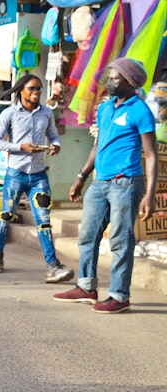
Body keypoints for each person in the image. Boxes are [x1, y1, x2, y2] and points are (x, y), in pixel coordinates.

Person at [54, 58, 158, 313]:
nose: (110, 82)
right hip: (100, 183)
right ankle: (87, 287)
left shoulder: (140, 111)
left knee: (121, 240)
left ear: (130, 82)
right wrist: (81, 176)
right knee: (87, 235)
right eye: (109, 78)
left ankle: (120, 296)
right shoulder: (105, 109)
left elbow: (152, 154)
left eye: (115, 78)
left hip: (126, 183)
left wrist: (150, 194)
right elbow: (97, 145)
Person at [0, 74, 74, 283]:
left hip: (38, 176)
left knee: (44, 220)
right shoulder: (9, 114)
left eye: (39, 89)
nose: (36, 93)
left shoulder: (46, 113)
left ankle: (53, 265)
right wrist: (19, 147)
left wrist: (56, 145)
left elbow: (53, 135)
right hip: (15, 174)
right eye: (32, 89)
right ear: (21, 91)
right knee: (6, 216)